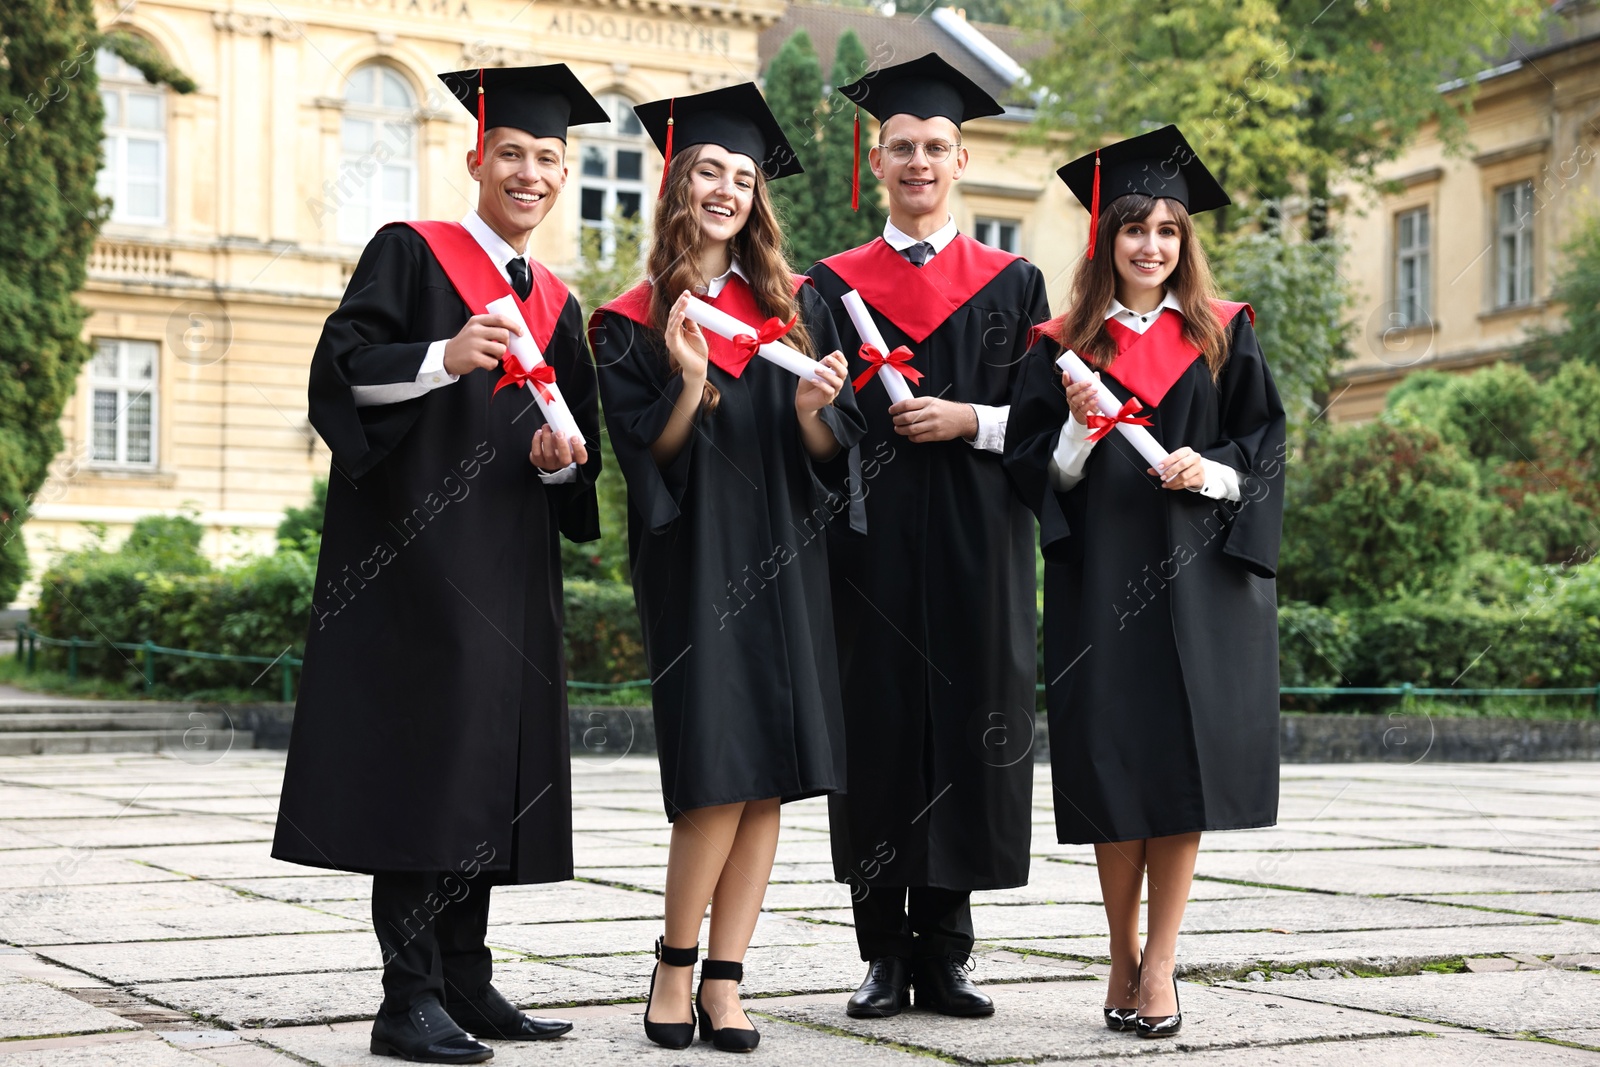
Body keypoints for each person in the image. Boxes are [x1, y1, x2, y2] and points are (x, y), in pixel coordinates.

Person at [272, 64, 608, 1065]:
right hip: (418, 561)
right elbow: (338, 376)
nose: (531, 171)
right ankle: (405, 995)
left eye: (548, 157)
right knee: (428, 766)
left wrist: (558, 465)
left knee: (492, 765)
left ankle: (467, 974)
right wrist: (444, 355)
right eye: (513, 153)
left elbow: (575, 454)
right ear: (476, 159)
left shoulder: (558, 299)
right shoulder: (411, 253)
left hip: (513, 562)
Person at [588, 82, 865, 1053]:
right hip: (697, 563)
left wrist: (810, 416)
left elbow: (836, 462)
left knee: (769, 778)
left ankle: (728, 978)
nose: (726, 189)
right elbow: (646, 461)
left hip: (784, 562)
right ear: (677, 182)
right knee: (715, 770)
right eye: (709, 169)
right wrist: (692, 381)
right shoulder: (627, 321)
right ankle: (672, 962)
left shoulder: (790, 313)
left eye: (742, 177)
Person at [1004, 125, 1286, 1038]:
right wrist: (1082, 433)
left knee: (1181, 770)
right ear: (1104, 239)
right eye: (1134, 229)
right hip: (1102, 583)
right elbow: (1027, 468)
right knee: (1113, 767)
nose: (1152, 246)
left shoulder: (1224, 331)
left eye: (1168, 230)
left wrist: (1211, 472)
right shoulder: (1060, 345)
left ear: (1184, 241)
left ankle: (1160, 961)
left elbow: (1265, 446)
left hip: (1204, 587)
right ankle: (1118, 950)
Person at [804, 53, 1048, 1020]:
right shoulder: (829, 285)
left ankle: (948, 950)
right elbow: (810, 427)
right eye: (902, 146)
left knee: (968, 723)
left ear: (960, 159)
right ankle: (880, 950)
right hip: (864, 539)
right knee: (876, 727)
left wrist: (968, 421)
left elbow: (1041, 427)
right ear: (880, 156)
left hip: (978, 542)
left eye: (935, 147)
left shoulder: (1014, 281)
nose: (919, 162)